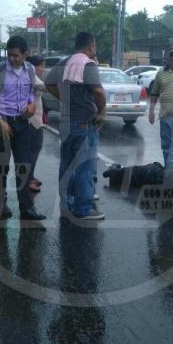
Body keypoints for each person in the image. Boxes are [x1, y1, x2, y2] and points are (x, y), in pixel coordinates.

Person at [45, 32, 106, 221]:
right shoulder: (88, 64)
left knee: (67, 166)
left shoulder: (64, 63)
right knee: (85, 167)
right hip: (84, 123)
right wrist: (102, 112)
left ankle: (67, 204)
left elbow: (48, 82)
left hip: (66, 123)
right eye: (94, 47)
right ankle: (84, 209)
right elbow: (98, 92)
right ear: (91, 47)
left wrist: (64, 98)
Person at [0, 36, 46, 221]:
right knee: (2, 166)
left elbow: (30, 94)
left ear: (25, 54)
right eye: (9, 55)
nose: (12, 59)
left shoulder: (30, 69)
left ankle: (27, 209)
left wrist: (32, 103)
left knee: (24, 166)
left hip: (23, 123)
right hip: (2, 124)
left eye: (16, 56)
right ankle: (1, 206)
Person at [25, 55, 48, 192]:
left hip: (36, 120)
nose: (44, 69)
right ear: (34, 66)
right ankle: (28, 180)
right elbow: (42, 87)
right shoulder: (31, 77)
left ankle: (30, 176)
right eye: (42, 66)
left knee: (34, 150)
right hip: (32, 121)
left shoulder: (32, 76)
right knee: (33, 151)